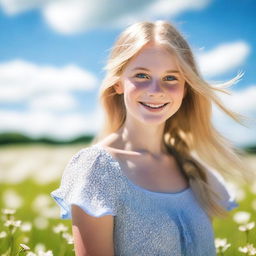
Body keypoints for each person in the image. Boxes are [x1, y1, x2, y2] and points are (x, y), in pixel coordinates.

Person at [51, 20, 253, 256]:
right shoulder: (97, 168)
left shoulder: (193, 168)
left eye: (170, 78)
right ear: (118, 83)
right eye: (142, 75)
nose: (156, 91)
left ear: (186, 87)